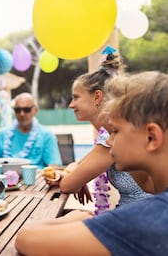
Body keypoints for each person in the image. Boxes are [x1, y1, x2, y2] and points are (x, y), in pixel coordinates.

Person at [15, 71, 168, 255]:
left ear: (152, 137)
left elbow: (27, 238)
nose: (109, 140)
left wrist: (82, 216)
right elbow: (78, 165)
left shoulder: (150, 219)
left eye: (116, 131)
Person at [49, 47, 152, 210]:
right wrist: (74, 172)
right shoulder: (108, 135)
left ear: (97, 97)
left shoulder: (115, 137)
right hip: (129, 214)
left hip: (142, 217)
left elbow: (67, 186)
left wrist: (75, 177)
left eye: (76, 97)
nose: (71, 105)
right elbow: (78, 165)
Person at [0, 92, 62, 169]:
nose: (22, 114)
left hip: (37, 178)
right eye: (17, 110)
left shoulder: (47, 136)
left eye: (26, 109)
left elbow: (54, 166)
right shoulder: (1, 135)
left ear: (35, 110)